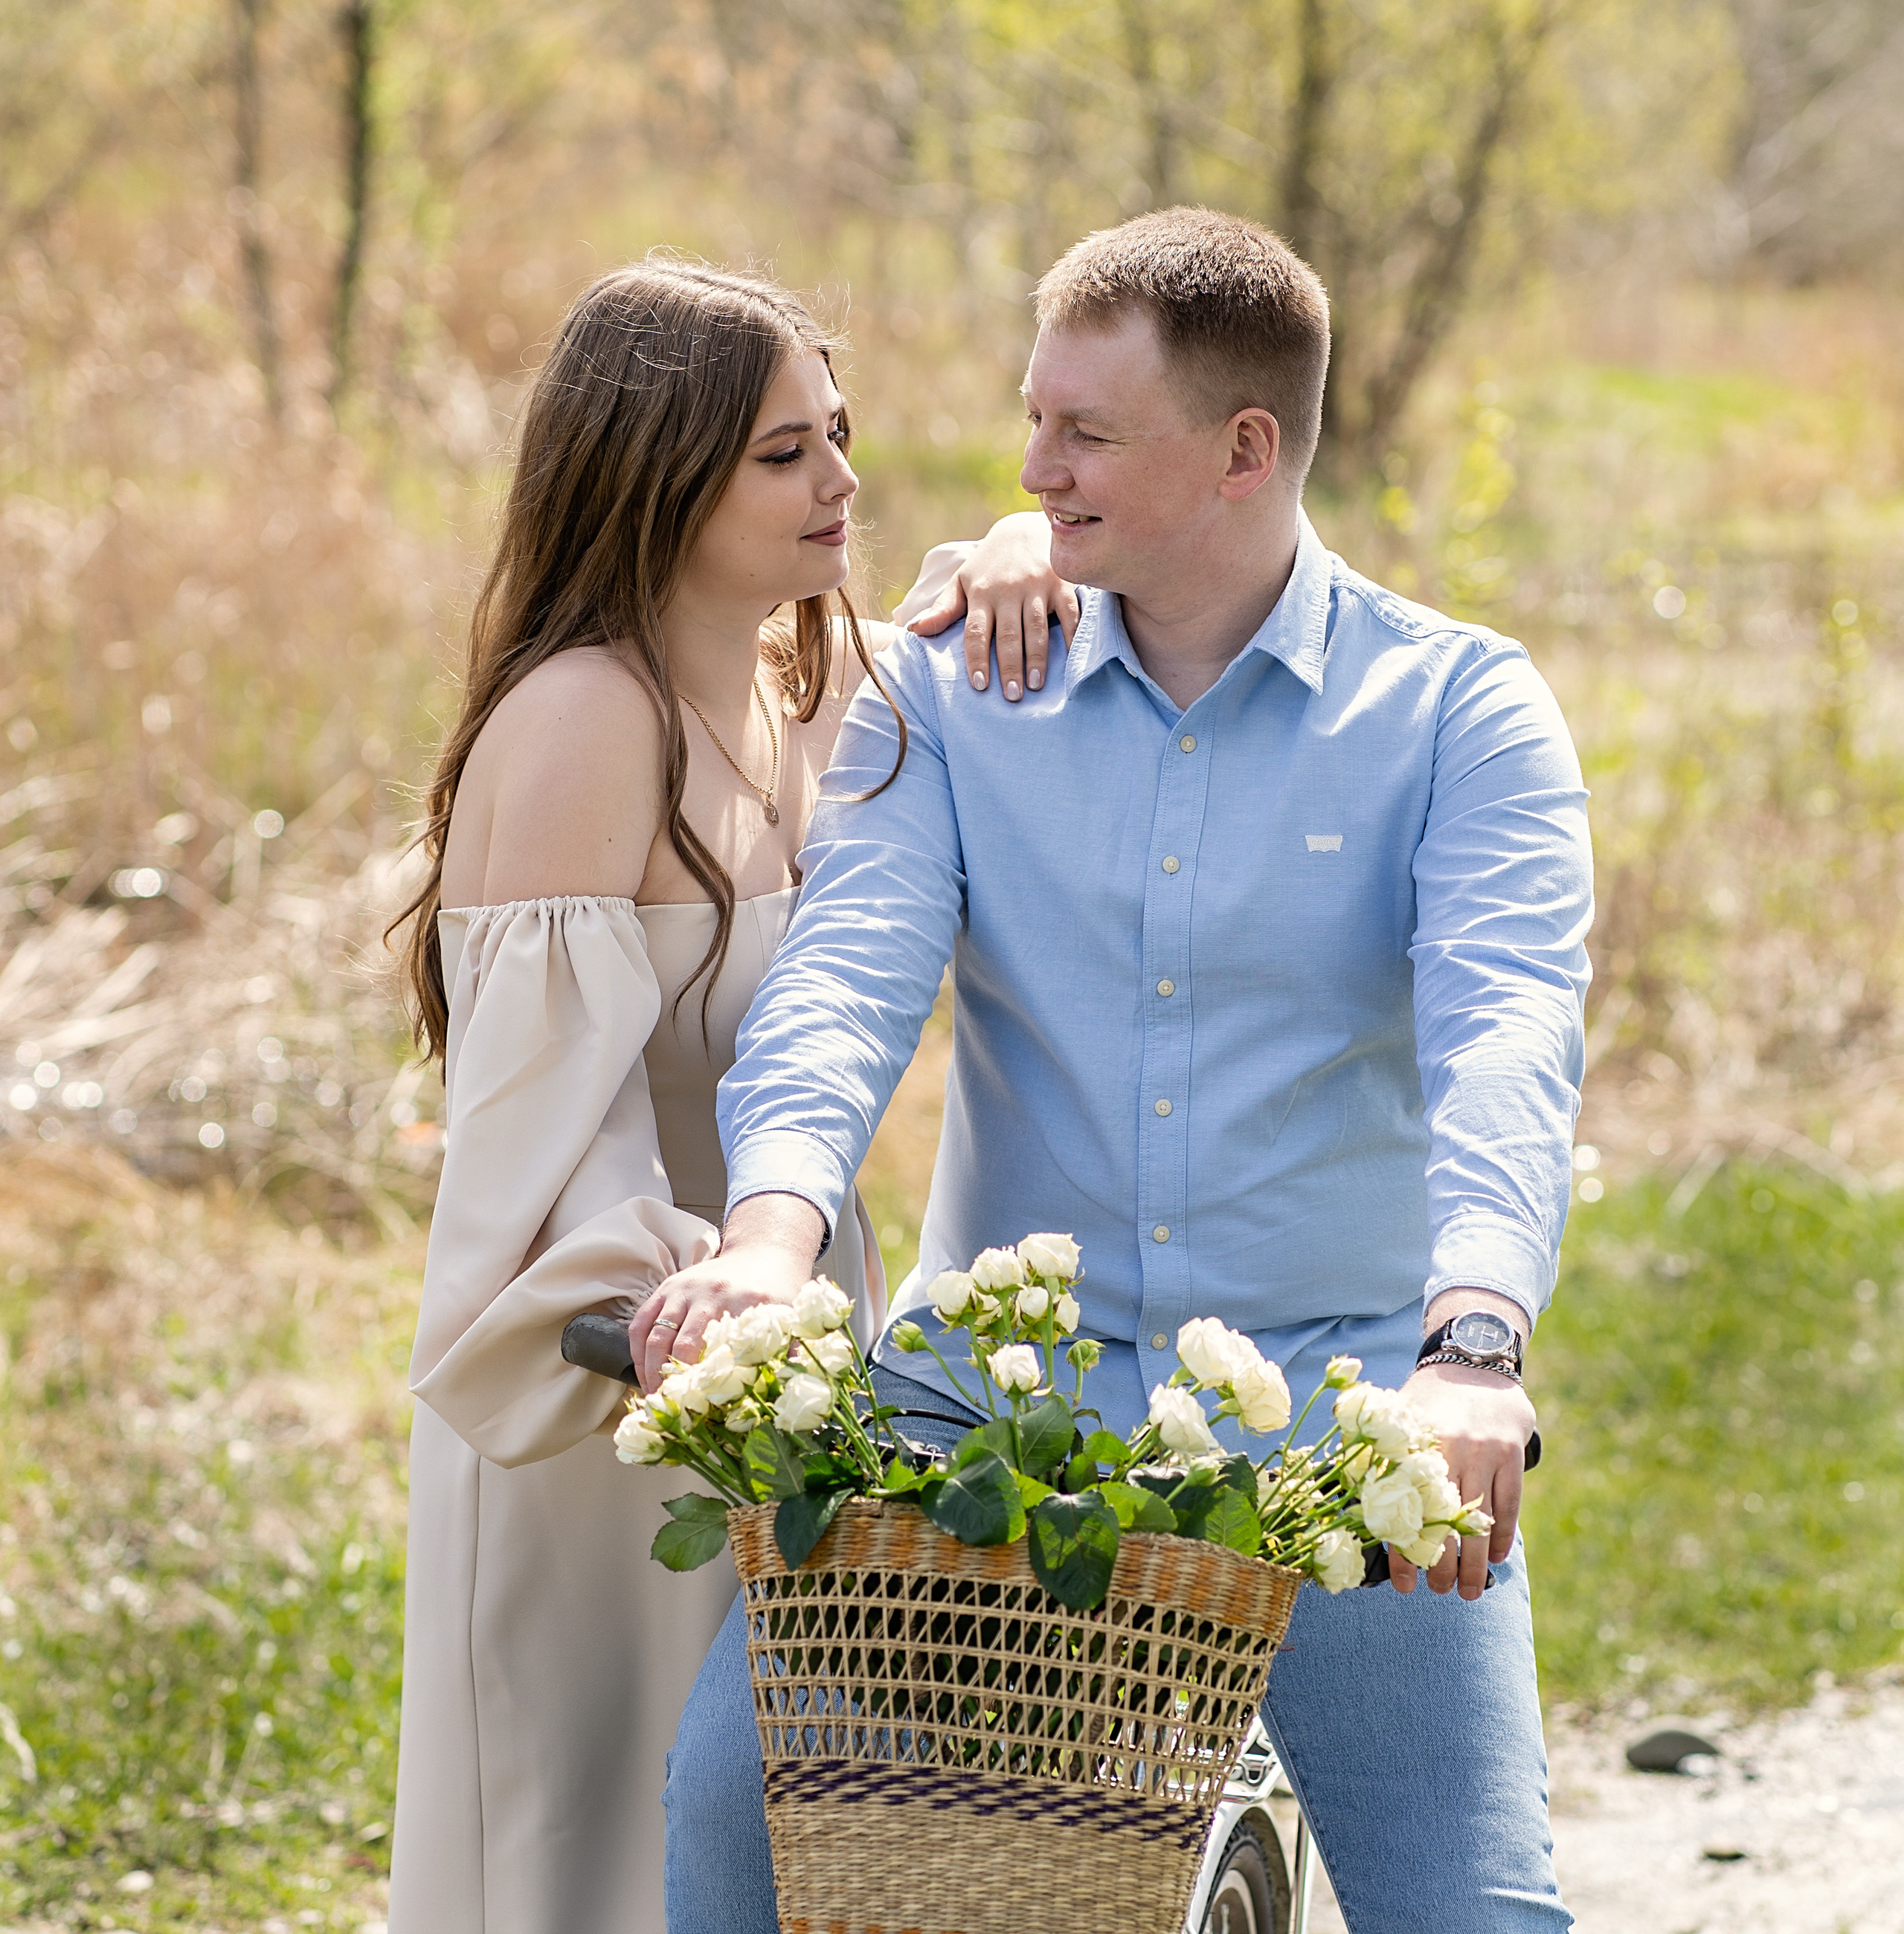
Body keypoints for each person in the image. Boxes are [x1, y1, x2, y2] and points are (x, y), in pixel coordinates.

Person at [648, 208, 1593, 1933]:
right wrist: (769, 1240)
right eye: (1033, 420)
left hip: (1348, 1406)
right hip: (994, 1395)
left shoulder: (1459, 711)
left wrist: (1470, 1346)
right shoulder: (945, 686)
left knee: (1473, 1910)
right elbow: (845, 979)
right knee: (741, 1816)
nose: (1030, 466)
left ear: (1242, 450)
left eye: (1083, 433)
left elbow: (1506, 1029)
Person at [383, 254, 1070, 1934]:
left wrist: (1024, 542)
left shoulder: (805, 691)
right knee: (595, 1850)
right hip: (613, 1364)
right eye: (784, 452)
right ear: (653, 466)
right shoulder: (579, 718)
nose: (838, 479)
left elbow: (993, 611)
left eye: (838, 435)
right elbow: (547, 1121)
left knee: (785, 1850)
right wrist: (706, 1337)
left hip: (782, 1360)